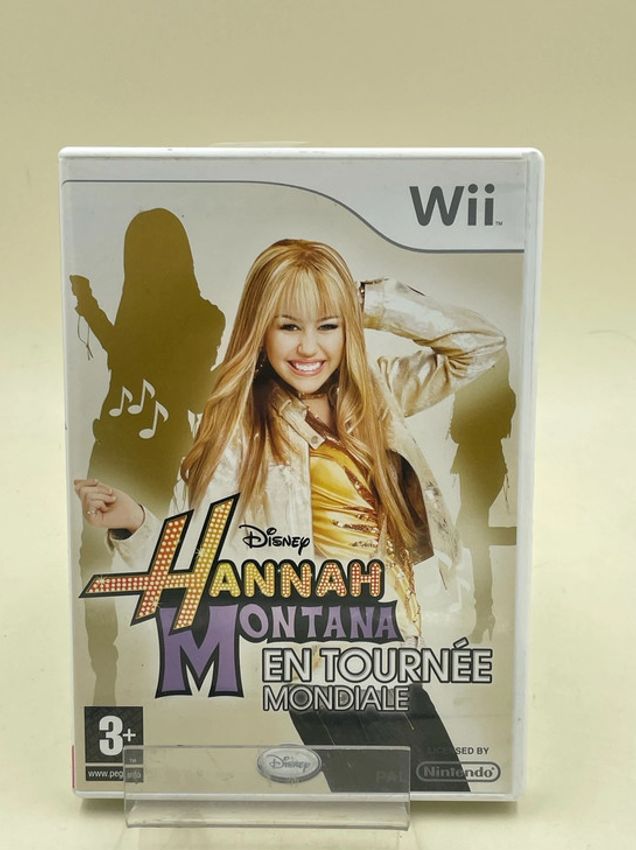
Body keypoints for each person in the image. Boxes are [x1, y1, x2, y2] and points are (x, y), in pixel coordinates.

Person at [75, 238, 506, 792]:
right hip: (318, 654)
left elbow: (481, 345)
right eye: (288, 326)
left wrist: (364, 300)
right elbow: (197, 558)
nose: (309, 347)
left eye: (327, 325)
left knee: (436, 793)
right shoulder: (242, 430)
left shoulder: (375, 393)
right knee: (398, 796)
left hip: (389, 636)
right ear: (261, 328)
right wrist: (134, 522)